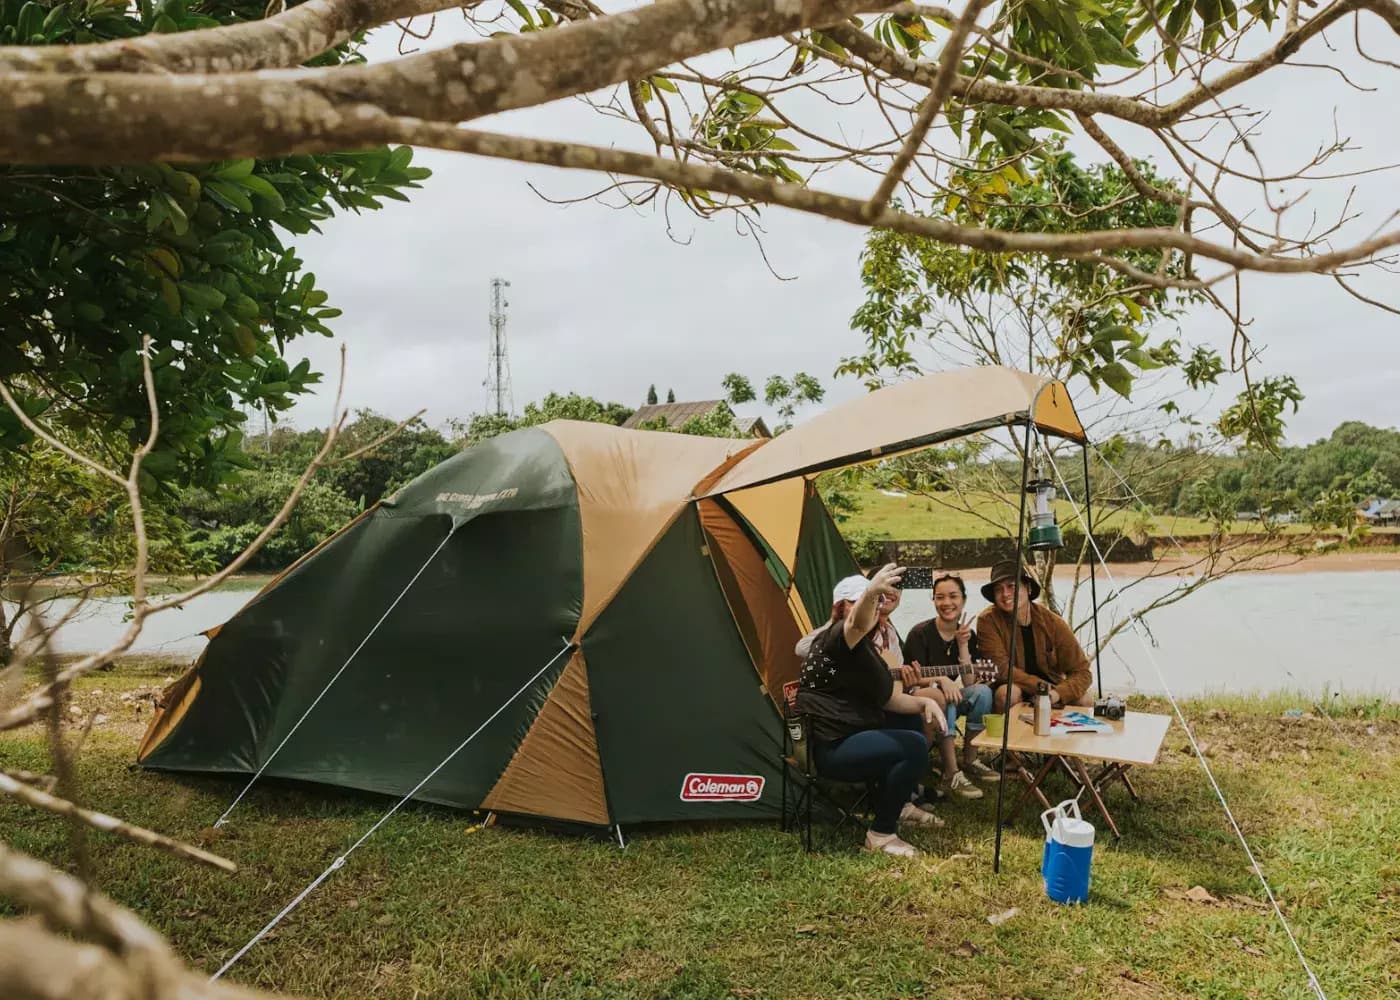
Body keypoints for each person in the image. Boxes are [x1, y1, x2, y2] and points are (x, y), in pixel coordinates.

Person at [795, 565, 943, 857]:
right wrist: (872, 591)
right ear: (841, 608)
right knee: (912, 745)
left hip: (855, 735)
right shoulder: (837, 638)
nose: (873, 608)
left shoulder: (865, 649)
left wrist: (925, 701)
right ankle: (881, 834)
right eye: (863, 601)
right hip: (832, 748)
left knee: (909, 718)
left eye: (875, 601)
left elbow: (888, 699)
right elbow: (856, 624)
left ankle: (899, 805)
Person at [902, 572, 1001, 799]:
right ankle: (951, 772)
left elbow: (968, 682)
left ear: (963, 600)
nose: (947, 603)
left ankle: (970, 759)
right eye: (940, 597)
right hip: (924, 700)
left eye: (953, 596)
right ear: (934, 600)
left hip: (949, 696)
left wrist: (963, 645)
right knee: (943, 698)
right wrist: (940, 680)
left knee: (983, 692)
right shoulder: (920, 634)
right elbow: (910, 678)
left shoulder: (968, 635)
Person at [975, 560, 1095, 712]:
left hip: (1051, 690)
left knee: (1085, 700)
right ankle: (1008, 735)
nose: (1005, 594)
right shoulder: (987, 620)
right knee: (1008, 694)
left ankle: (1067, 735)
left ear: (1028, 588)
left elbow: (1082, 671)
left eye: (1012, 586)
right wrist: (1042, 688)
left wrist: (1055, 694)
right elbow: (1001, 669)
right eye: (998, 589)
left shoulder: (1052, 622)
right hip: (1010, 685)